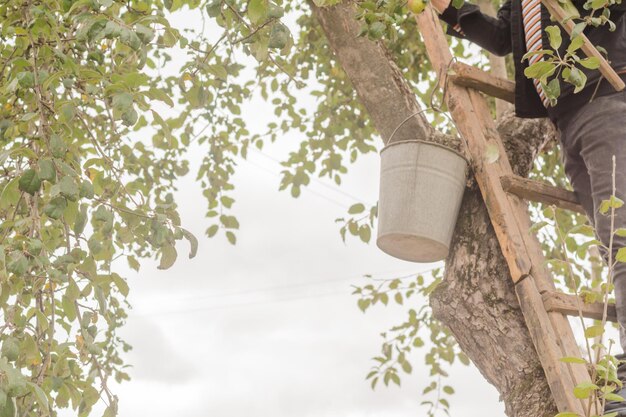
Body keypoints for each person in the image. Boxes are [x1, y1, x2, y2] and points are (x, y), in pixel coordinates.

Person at [429, 0, 626, 413]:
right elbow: (502, 39)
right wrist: (450, 10)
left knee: (623, 236)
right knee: (613, 244)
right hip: (568, 121)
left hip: (608, 98)